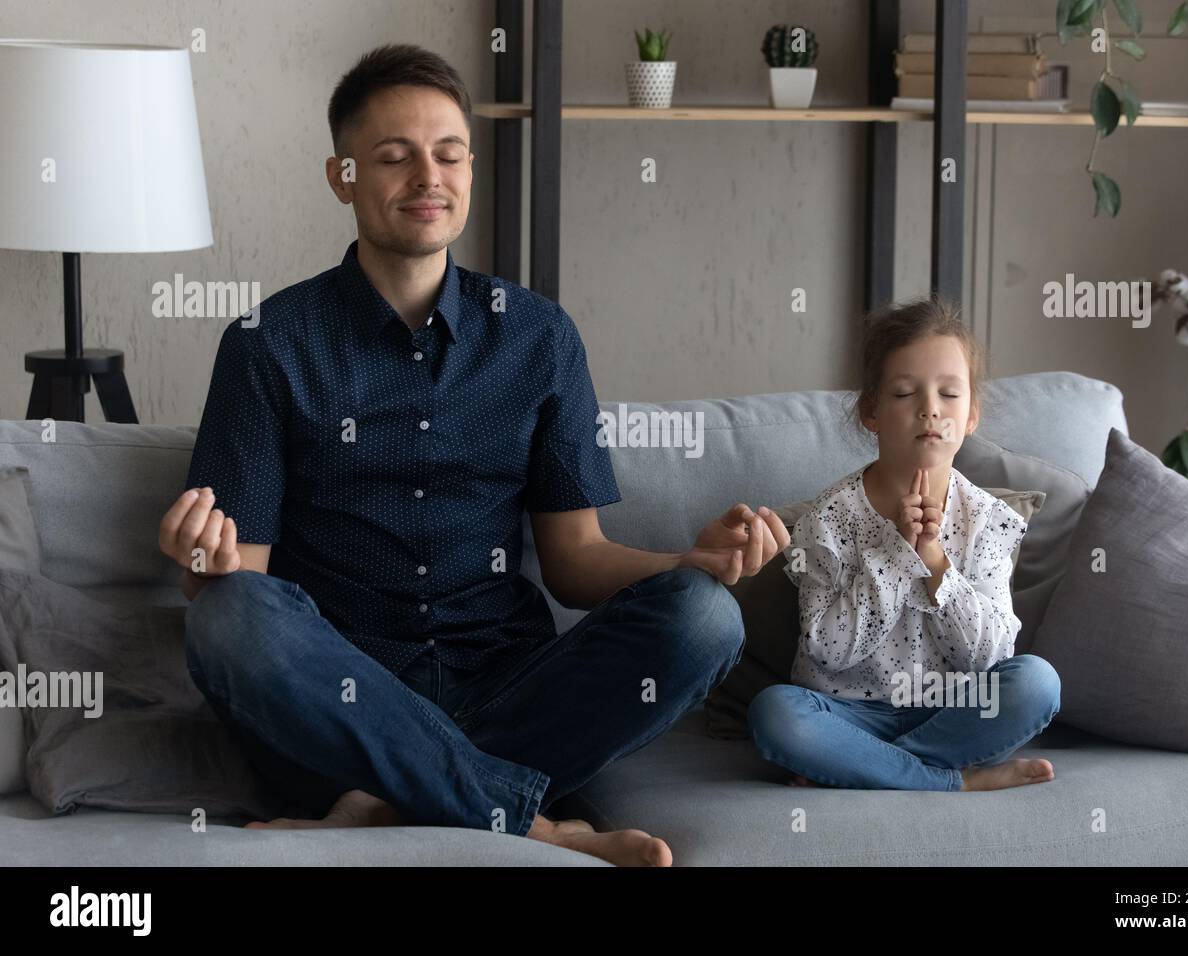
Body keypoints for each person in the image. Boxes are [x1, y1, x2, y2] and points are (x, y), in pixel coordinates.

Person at [157, 44, 791, 867]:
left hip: (510, 687)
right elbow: (241, 576)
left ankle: (390, 803)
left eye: (449, 153)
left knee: (704, 614)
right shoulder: (267, 344)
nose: (428, 175)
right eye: (394, 156)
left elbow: (576, 562)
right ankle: (525, 822)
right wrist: (201, 561)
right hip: (344, 708)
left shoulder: (538, 338)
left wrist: (690, 560)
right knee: (226, 614)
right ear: (342, 175)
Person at [748, 297, 1061, 792]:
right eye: (904, 393)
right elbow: (826, 650)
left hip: (949, 714)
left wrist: (935, 562)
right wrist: (896, 556)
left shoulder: (985, 521)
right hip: (849, 714)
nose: (930, 409)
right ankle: (951, 780)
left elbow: (991, 656)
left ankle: (860, 768)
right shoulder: (828, 520)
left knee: (1037, 683)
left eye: (949, 394)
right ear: (871, 412)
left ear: (972, 415)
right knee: (777, 714)